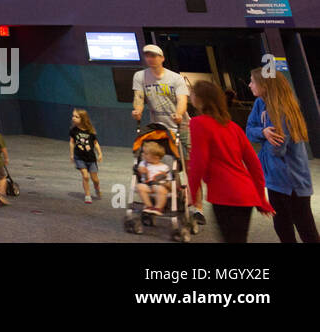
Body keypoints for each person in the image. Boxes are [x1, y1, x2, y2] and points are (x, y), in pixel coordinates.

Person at [186, 80, 273, 243]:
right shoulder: (233, 127)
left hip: (225, 195)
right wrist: (261, 198)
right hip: (246, 194)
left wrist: (192, 193)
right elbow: (254, 164)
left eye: (192, 93)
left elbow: (198, 162)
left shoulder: (198, 123)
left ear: (199, 99)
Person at [246, 68, 317, 243]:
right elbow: (248, 130)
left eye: (253, 81)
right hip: (274, 179)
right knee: (282, 224)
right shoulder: (260, 103)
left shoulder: (282, 110)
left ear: (265, 84)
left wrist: (262, 141)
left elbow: (277, 149)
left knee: (305, 228)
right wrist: (263, 132)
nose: (249, 85)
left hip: (293, 181)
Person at [131, 44, 189, 158]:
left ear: (162, 58)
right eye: (147, 56)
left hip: (181, 126)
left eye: (153, 56)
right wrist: (138, 111)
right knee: (164, 160)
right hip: (159, 128)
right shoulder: (140, 76)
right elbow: (139, 97)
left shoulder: (176, 78)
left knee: (188, 160)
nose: (150, 59)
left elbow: (182, 99)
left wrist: (179, 114)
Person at [70, 108, 103, 203]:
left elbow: (96, 143)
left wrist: (100, 154)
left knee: (95, 179)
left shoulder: (90, 131)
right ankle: (87, 195)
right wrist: (72, 154)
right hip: (79, 157)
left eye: (76, 117)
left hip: (91, 159)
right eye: (73, 116)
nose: (73, 118)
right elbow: (72, 142)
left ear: (83, 119)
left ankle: (97, 188)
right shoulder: (74, 131)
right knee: (85, 176)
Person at [134, 141, 171, 213]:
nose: (143, 155)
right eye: (143, 152)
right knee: (139, 186)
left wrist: (167, 184)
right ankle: (149, 206)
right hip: (147, 185)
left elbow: (169, 180)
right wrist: (140, 170)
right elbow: (139, 169)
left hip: (160, 185)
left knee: (161, 189)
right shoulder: (143, 163)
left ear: (156, 157)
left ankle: (159, 207)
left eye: (146, 153)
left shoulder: (164, 167)